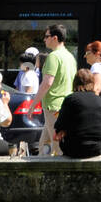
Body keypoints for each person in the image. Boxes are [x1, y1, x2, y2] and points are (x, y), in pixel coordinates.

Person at [37, 24, 75, 156]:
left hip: (53, 106)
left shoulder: (54, 56)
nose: (44, 39)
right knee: (45, 144)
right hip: (63, 106)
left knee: (57, 145)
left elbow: (47, 83)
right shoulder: (70, 56)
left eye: (46, 36)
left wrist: (33, 104)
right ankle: (39, 172)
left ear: (54, 38)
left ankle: (63, 174)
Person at [54, 70, 101, 158]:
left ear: (75, 82)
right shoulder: (99, 100)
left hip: (75, 148)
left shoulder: (71, 99)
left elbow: (60, 125)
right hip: (97, 148)